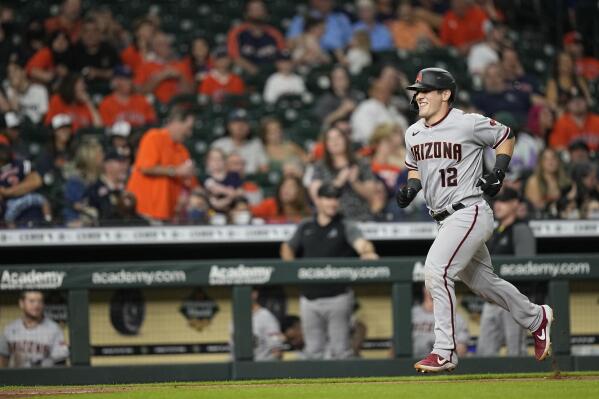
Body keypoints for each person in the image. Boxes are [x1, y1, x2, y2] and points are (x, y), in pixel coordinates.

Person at [397, 67, 553, 372]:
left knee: (436, 271)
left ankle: (444, 350)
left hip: (468, 211)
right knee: (484, 283)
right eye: (417, 91)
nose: (419, 96)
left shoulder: (466, 123)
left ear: (446, 94)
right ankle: (537, 318)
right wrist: (411, 188)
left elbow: (506, 135)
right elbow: (415, 166)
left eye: (426, 90)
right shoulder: (412, 132)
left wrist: (498, 173)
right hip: (443, 219)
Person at [280, 183, 378, 359]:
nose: (332, 203)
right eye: (328, 198)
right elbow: (287, 247)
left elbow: (362, 243)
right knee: (313, 351)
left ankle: (348, 387)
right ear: (318, 201)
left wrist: (368, 252)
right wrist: (292, 267)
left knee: (340, 351)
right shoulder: (306, 226)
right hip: (309, 298)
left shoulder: (345, 225)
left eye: (335, 198)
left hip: (337, 296)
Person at [477, 188, 534, 357]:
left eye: (504, 201)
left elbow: (527, 267)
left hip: (512, 301)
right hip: (492, 302)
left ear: (515, 203)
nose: (498, 205)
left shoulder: (521, 229)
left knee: (516, 353)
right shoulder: (495, 231)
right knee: (484, 353)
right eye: (497, 201)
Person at [126, 107, 196, 222]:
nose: (189, 133)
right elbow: (146, 168)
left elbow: (187, 182)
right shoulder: (154, 137)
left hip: (168, 213)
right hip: (144, 211)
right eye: (188, 128)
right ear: (176, 123)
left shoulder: (183, 150)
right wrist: (176, 171)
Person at [309, 127, 379, 221]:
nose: (335, 142)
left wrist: (355, 182)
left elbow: (372, 194)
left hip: (361, 218)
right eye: (330, 139)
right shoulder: (320, 166)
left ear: (346, 140)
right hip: (331, 220)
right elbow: (316, 196)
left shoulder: (361, 163)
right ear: (326, 144)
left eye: (338, 137)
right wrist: (338, 182)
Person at [0, 291, 69, 368]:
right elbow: (3, 359)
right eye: (32, 301)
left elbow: (60, 362)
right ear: (21, 303)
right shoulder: (10, 329)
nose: (36, 305)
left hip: (45, 377)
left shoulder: (54, 329)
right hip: (16, 377)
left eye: (40, 301)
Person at [226, 0, 286, 75]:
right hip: (245, 72)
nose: (257, 12)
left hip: (270, 72)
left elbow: (282, 56)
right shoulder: (237, 32)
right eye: (253, 9)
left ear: (266, 12)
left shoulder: (275, 33)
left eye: (260, 9)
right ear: (246, 13)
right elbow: (234, 56)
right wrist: (253, 70)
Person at [0, 135, 47, 227]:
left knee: (43, 201)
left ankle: (48, 221)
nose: (2, 151)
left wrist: (9, 191)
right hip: (9, 212)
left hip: (30, 206)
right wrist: (23, 186)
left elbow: (36, 181)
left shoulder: (20, 163)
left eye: (4, 147)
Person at [134, 32, 193, 104]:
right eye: (160, 44)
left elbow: (190, 93)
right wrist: (160, 77)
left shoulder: (182, 65)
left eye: (167, 44)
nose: (165, 46)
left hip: (179, 106)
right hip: (155, 107)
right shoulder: (145, 66)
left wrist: (181, 77)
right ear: (153, 48)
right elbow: (139, 93)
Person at [413, 285, 469, 359]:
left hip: (443, 364)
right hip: (414, 362)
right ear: (424, 289)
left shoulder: (455, 317)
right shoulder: (412, 314)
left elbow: (461, 350)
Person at [211, 108, 268, 175]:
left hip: (249, 181)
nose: (240, 126)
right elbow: (211, 169)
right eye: (236, 122)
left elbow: (264, 169)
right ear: (229, 126)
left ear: (249, 127)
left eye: (244, 122)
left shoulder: (256, 144)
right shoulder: (219, 145)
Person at [350, 79, 408, 145]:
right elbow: (369, 135)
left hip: (394, 146)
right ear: (373, 92)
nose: (385, 94)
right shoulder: (366, 107)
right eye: (381, 91)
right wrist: (390, 132)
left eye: (388, 91)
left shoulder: (392, 108)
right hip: (368, 148)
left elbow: (404, 129)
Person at [287, 0, 352, 55]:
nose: (324, 2)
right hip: (309, 56)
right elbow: (290, 44)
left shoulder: (340, 19)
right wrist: (306, 40)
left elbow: (350, 42)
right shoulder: (302, 19)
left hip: (337, 57)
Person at [524, 148, 573, 219]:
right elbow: (534, 206)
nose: (551, 162)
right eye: (546, 159)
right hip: (541, 219)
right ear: (541, 162)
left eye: (553, 158)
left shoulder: (566, 181)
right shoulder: (534, 181)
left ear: (558, 161)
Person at [84, 149, 130, 225]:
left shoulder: (128, 187)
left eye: (126, 163)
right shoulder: (95, 189)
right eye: (120, 163)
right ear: (107, 165)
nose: (125, 167)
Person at [69, 17, 120, 86]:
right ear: (81, 34)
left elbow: (118, 72)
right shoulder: (74, 51)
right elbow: (68, 75)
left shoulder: (109, 50)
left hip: (106, 91)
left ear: (99, 33)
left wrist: (98, 73)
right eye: (86, 31)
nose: (90, 35)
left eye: (94, 31)